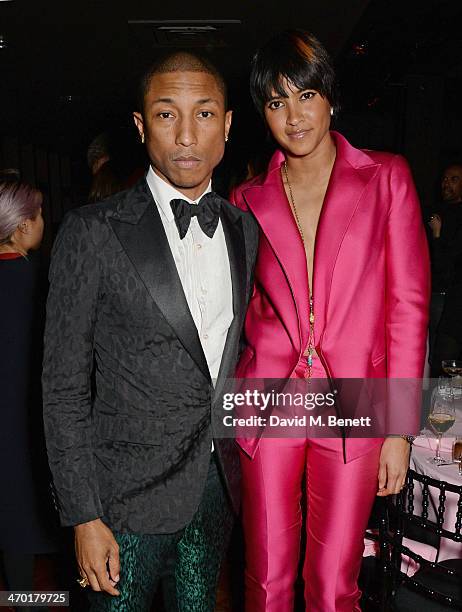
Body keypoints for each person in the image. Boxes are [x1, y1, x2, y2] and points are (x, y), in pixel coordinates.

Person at [42, 51, 258, 612]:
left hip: (216, 487)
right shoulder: (91, 232)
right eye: (167, 115)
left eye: (204, 114)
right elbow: (62, 388)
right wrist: (83, 514)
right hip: (122, 502)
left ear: (228, 125)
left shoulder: (243, 229)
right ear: (141, 127)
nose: (187, 134)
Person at [230, 30, 430, 611]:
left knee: (334, 583)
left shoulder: (386, 177)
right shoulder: (248, 198)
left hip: (358, 406)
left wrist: (399, 428)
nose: (293, 117)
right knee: (265, 580)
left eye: (306, 96)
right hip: (267, 402)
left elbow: (408, 307)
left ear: (331, 98)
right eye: (276, 102)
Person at [0, 180, 56, 610]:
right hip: (32, 414)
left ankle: (20, 597)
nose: (43, 222)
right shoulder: (38, 280)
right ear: (21, 228)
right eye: (37, 215)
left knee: (11, 513)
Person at [428, 164, 462, 373]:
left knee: (443, 358)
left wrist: (438, 235)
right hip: (431, 293)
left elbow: (449, 263)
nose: (446, 184)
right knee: (432, 355)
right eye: (445, 179)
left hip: (449, 299)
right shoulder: (432, 211)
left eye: (454, 179)